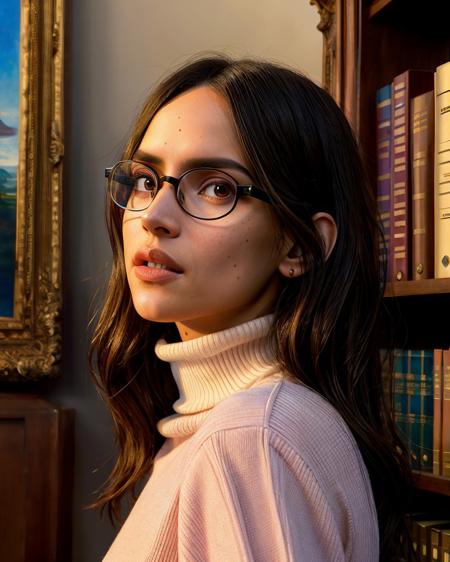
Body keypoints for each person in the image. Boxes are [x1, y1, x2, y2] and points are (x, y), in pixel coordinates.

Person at [89, 55, 414, 561]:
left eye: (217, 187)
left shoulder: (250, 439)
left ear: (298, 247)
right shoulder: (248, 424)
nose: (154, 216)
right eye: (148, 180)